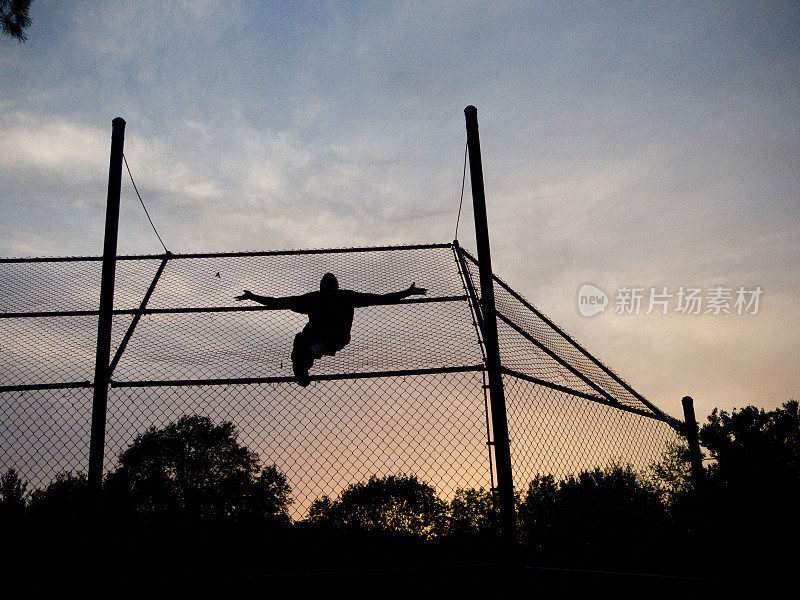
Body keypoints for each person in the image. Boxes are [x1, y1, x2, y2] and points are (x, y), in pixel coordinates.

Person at [235, 273, 426, 386]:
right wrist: (407, 293)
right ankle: (304, 362)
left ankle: (306, 358)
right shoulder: (342, 296)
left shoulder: (321, 298)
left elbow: (278, 303)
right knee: (305, 341)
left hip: (330, 337)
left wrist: (253, 297)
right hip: (332, 337)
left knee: (305, 340)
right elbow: (381, 298)